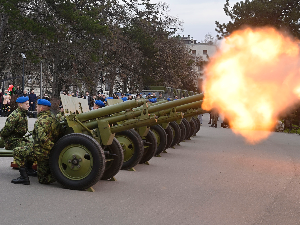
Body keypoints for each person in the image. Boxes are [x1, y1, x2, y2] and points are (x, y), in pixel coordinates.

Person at [12, 99, 62, 185]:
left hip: (42, 152)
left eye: (37, 107)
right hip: (48, 151)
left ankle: (24, 178)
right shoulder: (54, 118)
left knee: (17, 151)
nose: (36, 108)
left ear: (41, 108)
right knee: (43, 179)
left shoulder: (40, 121)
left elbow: (42, 139)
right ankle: (61, 175)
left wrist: (52, 149)